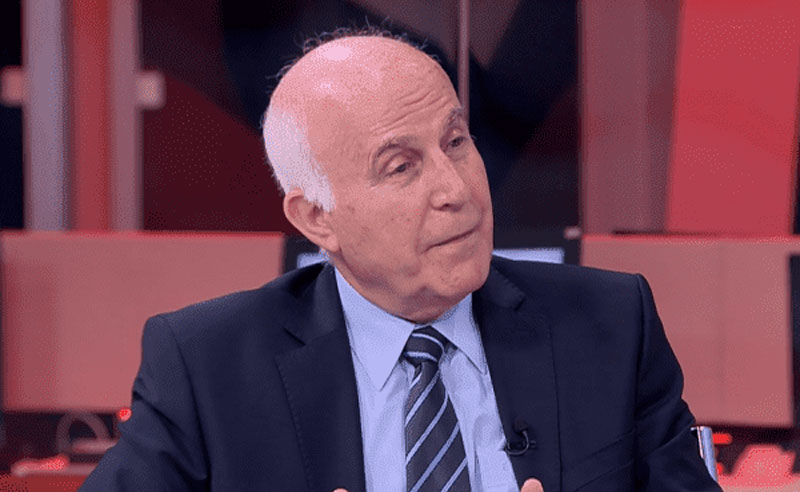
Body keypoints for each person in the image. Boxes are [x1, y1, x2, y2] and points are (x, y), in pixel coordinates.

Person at [80, 30, 721, 492]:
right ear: (317, 218)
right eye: (401, 167)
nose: (456, 188)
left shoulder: (611, 325)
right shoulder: (208, 367)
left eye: (456, 141)